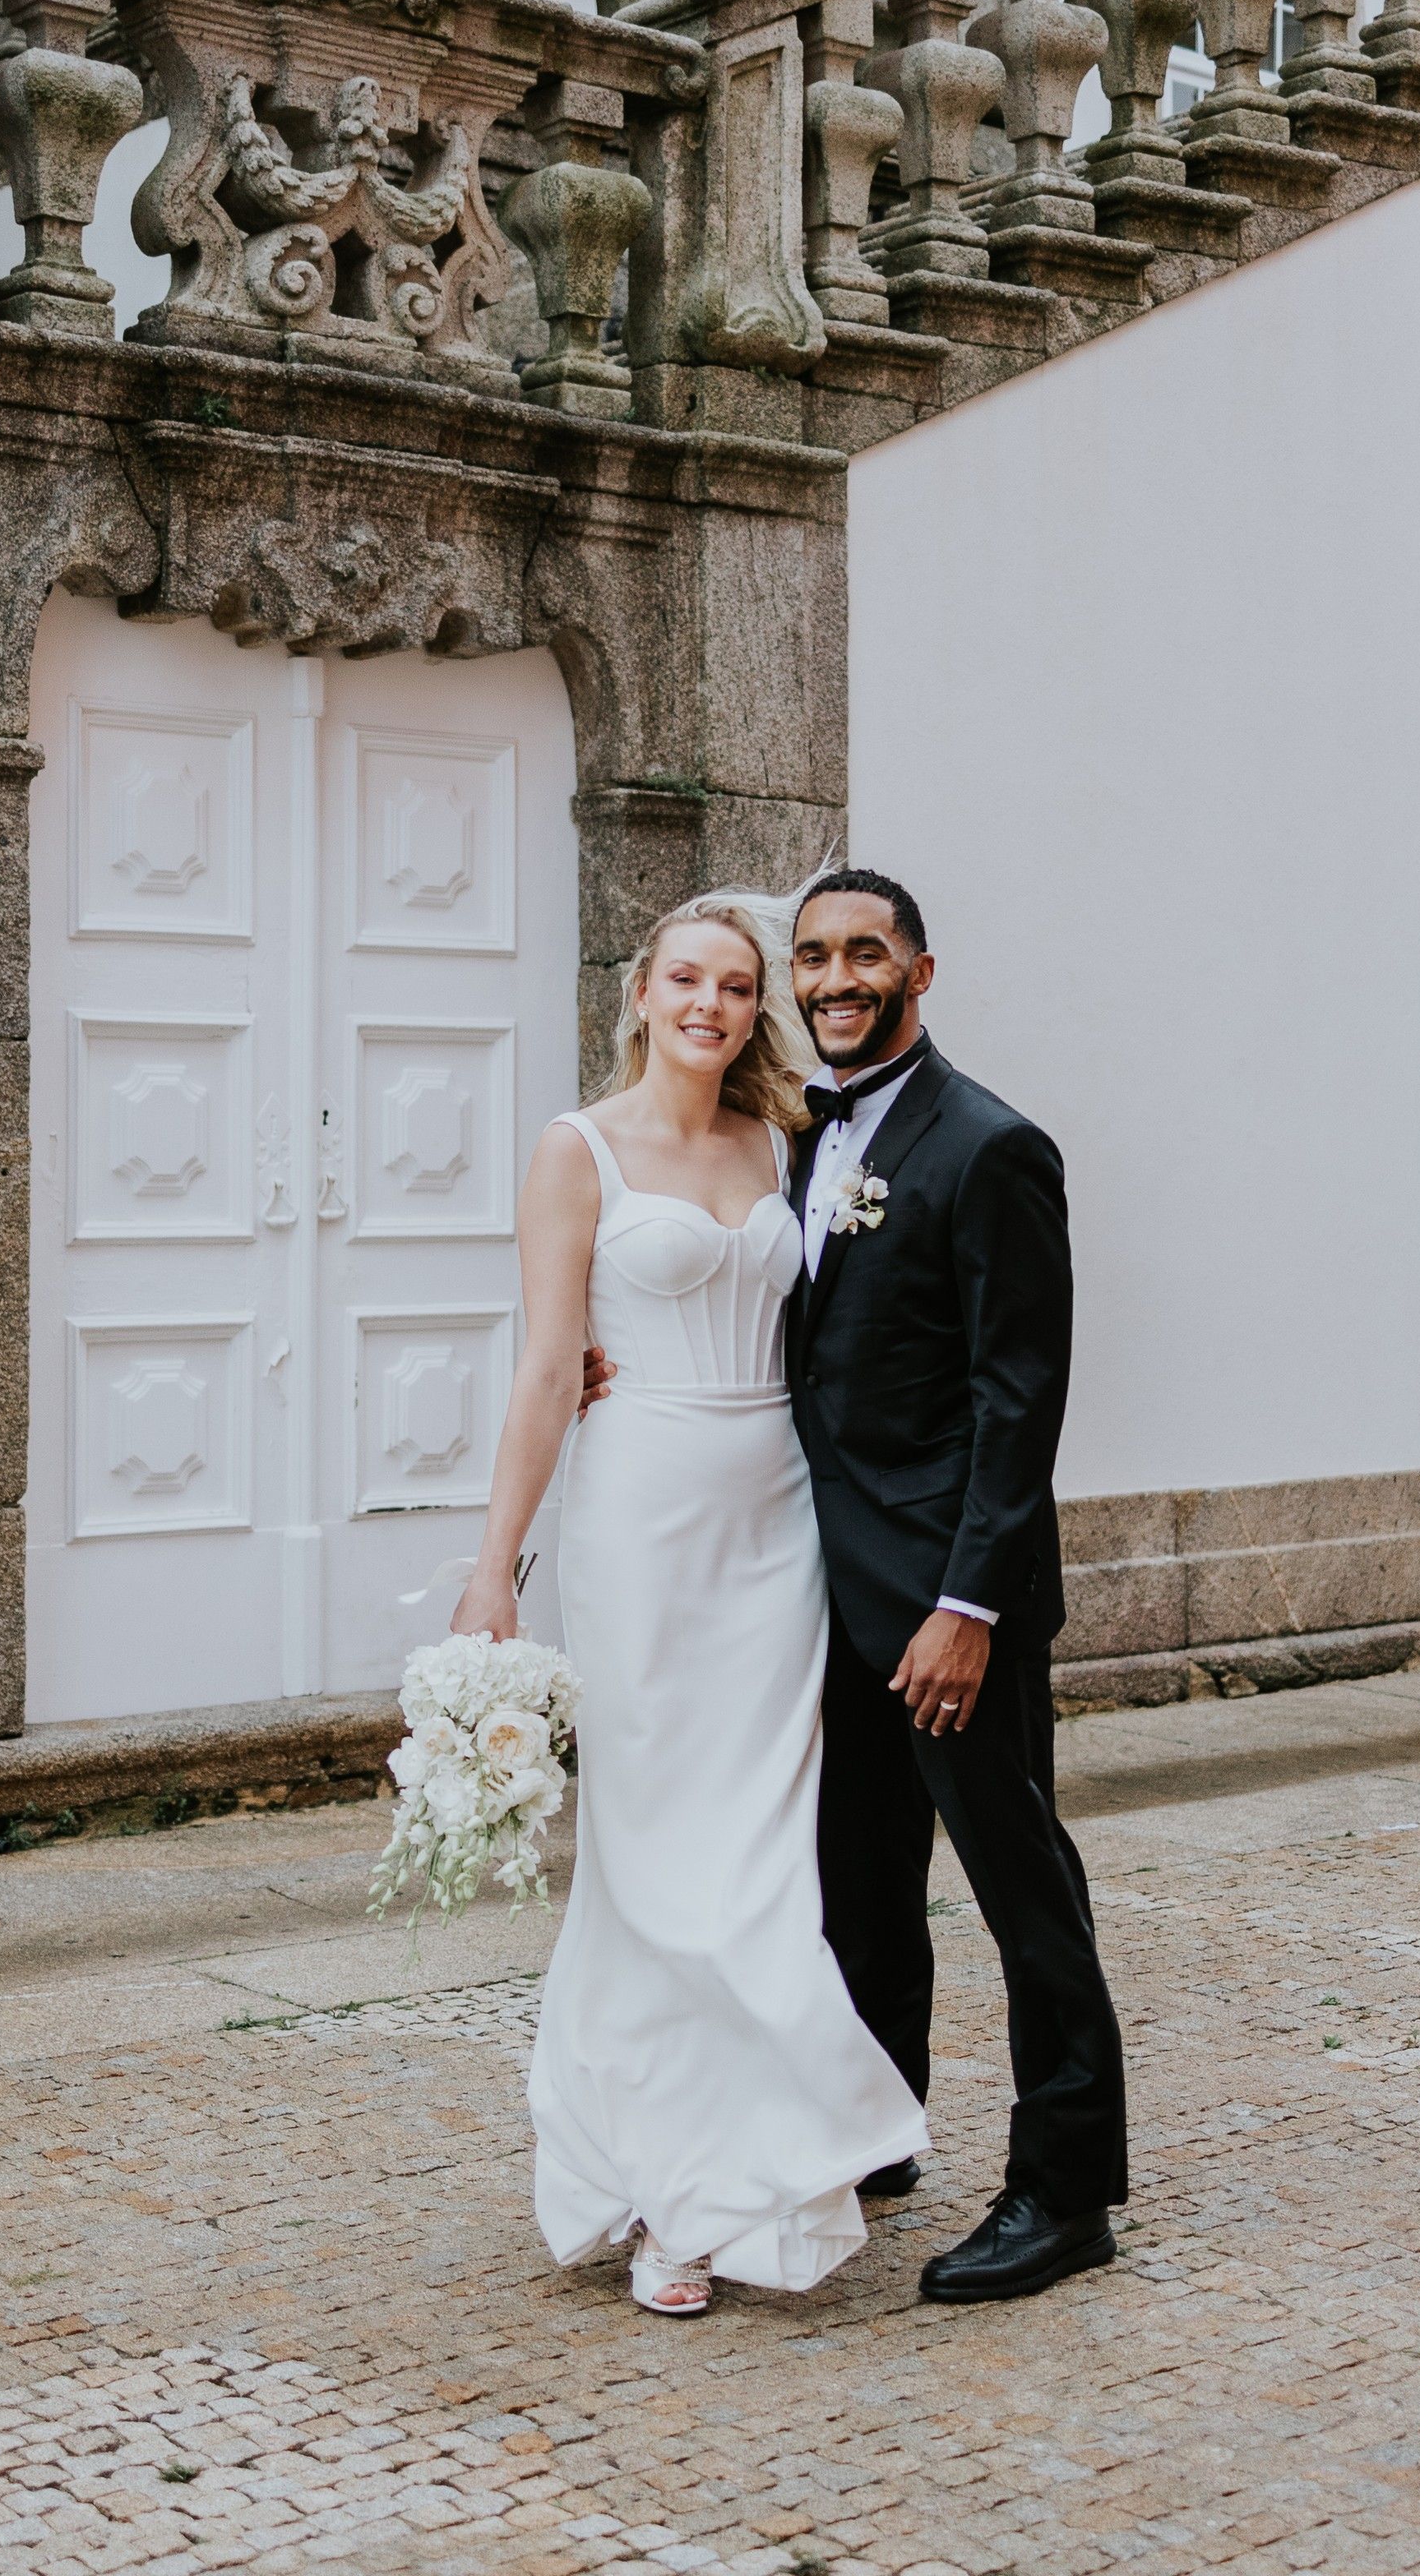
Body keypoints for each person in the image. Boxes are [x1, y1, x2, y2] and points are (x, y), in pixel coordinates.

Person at [449, 895, 925, 2318]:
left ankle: (746, 2176)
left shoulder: (786, 1146)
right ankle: (662, 2189)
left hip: (776, 1519)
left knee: (762, 1855)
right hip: (640, 1519)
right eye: (686, 981)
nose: (711, 1004)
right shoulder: (574, 1150)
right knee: (654, 1867)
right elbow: (547, 1369)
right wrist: (495, 1564)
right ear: (640, 993)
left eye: (736, 984)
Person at [784, 870, 1126, 2303]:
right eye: (811, 957)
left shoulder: (990, 1148)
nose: (833, 978)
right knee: (856, 1884)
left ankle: (1065, 2192)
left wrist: (967, 1609)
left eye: (865, 953)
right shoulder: (798, 1136)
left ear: (921, 970)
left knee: (1018, 1888)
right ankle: (878, 2130)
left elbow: (1017, 1399)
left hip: (946, 1612)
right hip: (831, 1595)